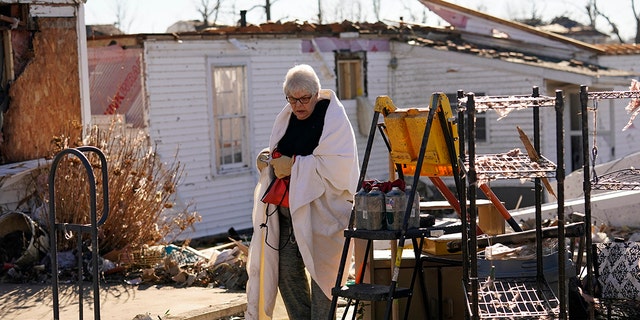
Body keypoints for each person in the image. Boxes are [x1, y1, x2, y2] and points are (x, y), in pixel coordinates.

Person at [245, 64, 360, 319]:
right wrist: (268, 158)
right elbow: (282, 150)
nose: (298, 105)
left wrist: (295, 165)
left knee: (324, 283)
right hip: (286, 218)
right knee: (287, 278)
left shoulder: (334, 120)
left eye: (304, 99)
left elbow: (340, 168)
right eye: (292, 99)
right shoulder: (287, 118)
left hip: (323, 219)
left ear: (316, 94)